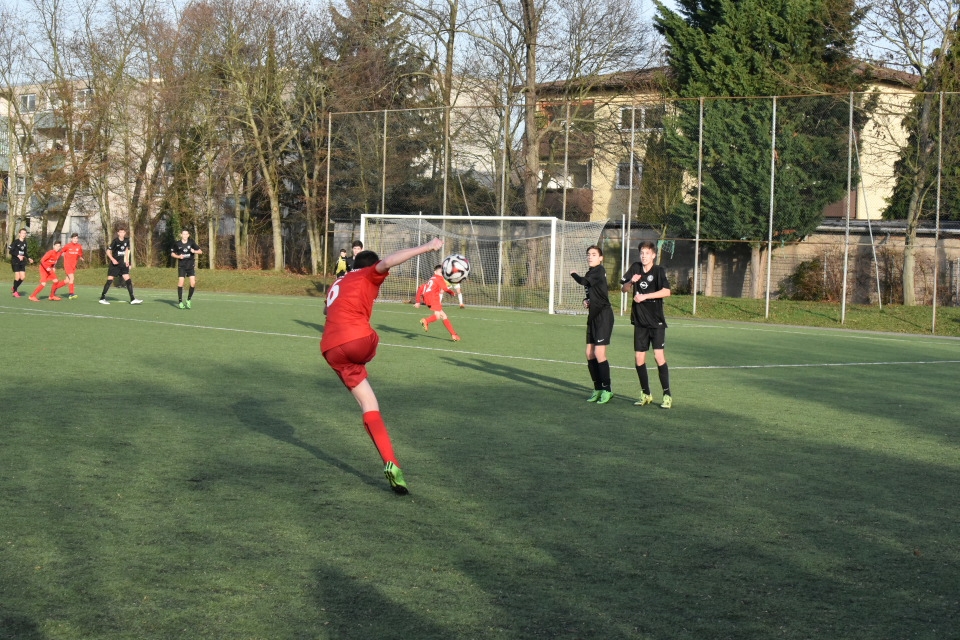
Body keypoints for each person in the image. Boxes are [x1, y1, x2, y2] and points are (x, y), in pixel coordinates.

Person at [321, 236, 445, 494]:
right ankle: (391, 462)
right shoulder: (368, 274)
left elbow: (326, 310)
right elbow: (388, 262)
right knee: (371, 339)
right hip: (358, 340)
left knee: (369, 404)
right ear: (369, 267)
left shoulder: (339, 281)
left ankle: (392, 464)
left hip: (330, 349)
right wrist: (427, 247)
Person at [620, 241, 672, 409]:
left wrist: (645, 296)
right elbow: (623, 289)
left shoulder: (658, 271)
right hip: (640, 322)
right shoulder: (635, 267)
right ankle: (646, 394)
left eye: (647, 253)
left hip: (656, 322)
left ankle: (667, 395)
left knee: (658, 356)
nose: (644, 256)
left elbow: (667, 291)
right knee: (639, 358)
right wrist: (631, 282)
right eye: (642, 253)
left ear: (653, 255)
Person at [570, 245, 614, 404]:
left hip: (603, 316)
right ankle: (598, 388)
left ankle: (607, 389)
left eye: (594, 254)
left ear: (601, 258)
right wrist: (586, 301)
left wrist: (573, 274)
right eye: (588, 254)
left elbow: (582, 281)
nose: (590, 257)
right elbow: (593, 293)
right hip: (593, 316)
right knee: (589, 353)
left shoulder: (599, 270)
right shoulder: (591, 272)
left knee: (599, 353)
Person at [415, 265, 461, 341]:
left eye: (442, 273)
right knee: (437, 316)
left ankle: (454, 335)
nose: (441, 274)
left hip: (427, 298)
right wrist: (452, 293)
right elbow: (445, 288)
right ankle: (426, 321)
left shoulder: (431, 279)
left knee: (444, 316)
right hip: (433, 298)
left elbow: (420, 288)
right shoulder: (439, 278)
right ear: (435, 272)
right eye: (440, 272)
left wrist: (417, 301)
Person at [99, 227, 142, 305]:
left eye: (123, 232)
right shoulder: (115, 241)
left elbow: (127, 251)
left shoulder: (127, 240)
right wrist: (113, 259)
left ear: (125, 233)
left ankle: (132, 299)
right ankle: (102, 298)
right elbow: (108, 251)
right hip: (115, 265)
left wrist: (128, 262)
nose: (122, 234)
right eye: (120, 232)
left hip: (123, 264)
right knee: (110, 280)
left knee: (128, 280)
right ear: (118, 233)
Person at [172, 228, 202, 309]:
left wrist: (194, 251)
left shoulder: (191, 242)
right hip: (182, 266)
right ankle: (180, 302)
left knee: (193, 283)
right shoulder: (177, 243)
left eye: (186, 234)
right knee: (181, 283)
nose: (185, 235)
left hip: (190, 266)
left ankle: (188, 300)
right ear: (181, 235)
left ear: (188, 235)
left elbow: (200, 251)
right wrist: (178, 256)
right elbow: (172, 254)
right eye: (183, 234)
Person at [8, 228, 34, 298]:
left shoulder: (25, 242)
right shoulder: (16, 242)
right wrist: (18, 255)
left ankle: (14, 287)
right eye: (22, 233)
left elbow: (25, 252)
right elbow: (10, 251)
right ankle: (15, 292)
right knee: (17, 277)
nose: (23, 234)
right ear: (19, 234)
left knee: (22, 277)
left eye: (25, 233)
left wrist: (29, 258)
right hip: (15, 261)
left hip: (22, 262)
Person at [61, 232, 84, 299]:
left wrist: (81, 257)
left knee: (67, 281)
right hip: (67, 265)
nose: (75, 240)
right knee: (72, 278)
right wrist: (62, 254)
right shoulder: (67, 246)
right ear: (71, 239)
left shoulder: (79, 246)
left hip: (73, 265)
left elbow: (80, 254)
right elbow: (61, 251)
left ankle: (55, 287)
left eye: (76, 238)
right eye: (74, 238)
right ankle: (71, 294)